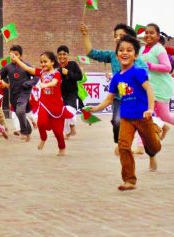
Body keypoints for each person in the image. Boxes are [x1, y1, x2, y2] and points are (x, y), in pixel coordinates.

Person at [87, 35, 160, 190]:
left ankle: (155, 130)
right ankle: (129, 180)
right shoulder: (116, 78)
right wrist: (95, 108)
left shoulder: (138, 72)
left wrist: (150, 109)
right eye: (121, 50)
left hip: (142, 116)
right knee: (123, 146)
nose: (124, 53)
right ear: (117, 54)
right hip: (126, 117)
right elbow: (109, 99)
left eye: (129, 50)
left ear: (136, 55)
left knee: (153, 148)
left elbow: (149, 89)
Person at [80, 22, 138, 153]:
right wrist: (85, 35)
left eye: (121, 35)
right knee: (117, 121)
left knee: (138, 125)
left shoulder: (136, 57)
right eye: (115, 36)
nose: (117, 38)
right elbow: (91, 53)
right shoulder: (112, 56)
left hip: (135, 98)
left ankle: (129, 145)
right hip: (118, 98)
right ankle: (122, 144)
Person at [11, 51, 71, 156]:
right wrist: (17, 60)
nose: (43, 64)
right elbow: (28, 69)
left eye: (45, 62)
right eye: (41, 62)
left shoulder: (57, 73)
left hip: (56, 107)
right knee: (41, 123)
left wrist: (45, 85)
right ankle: (43, 138)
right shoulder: (41, 72)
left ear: (52, 62)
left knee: (58, 132)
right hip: (44, 104)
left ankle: (62, 148)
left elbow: (55, 82)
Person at [139, 24, 174, 142]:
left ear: (157, 36)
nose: (148, 35)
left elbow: (167, 67)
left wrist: (150, 66)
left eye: (152, 33)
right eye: (146, 33)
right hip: (147, 87)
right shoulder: (141, 49)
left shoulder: (159, 48)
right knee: (145, 114)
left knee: (164, 115)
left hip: (161, 86)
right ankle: (145, 143)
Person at [0, 45, 36, 141]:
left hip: (24, 93)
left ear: (20, 56)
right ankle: (28, 131)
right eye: (11, 54)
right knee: (19, 113)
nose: (13, 57)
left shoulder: (26, 65)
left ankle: (23, 132)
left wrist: (28, 83)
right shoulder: (7, 67)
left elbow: (37, 76)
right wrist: (4, 83)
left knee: (20, 111)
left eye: (16, 54)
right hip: (13, 95)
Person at [55, 45, 83, 138]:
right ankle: (67, 132)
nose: (62, 56)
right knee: (62, 113)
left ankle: (72, 126)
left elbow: (79, 77)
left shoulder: (73, 65)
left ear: (68, 55)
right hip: (60, 94)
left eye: (64, 54)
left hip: (72, 93)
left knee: (69, 110)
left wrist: (68, 73)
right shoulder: (56, 67)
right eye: (60, 54)